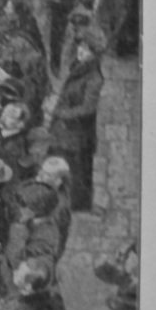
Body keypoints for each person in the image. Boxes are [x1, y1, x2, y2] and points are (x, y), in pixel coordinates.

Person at [47, 29, 106, 211]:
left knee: (76, 171)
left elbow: (88, 108)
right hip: (65, 131)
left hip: (75, 135)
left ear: (94, 55)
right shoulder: (79, 67)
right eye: (81, 46)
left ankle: (75, 206)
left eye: (86, 50)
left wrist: (61, 113)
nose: (80, 51)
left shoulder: (94, 78)